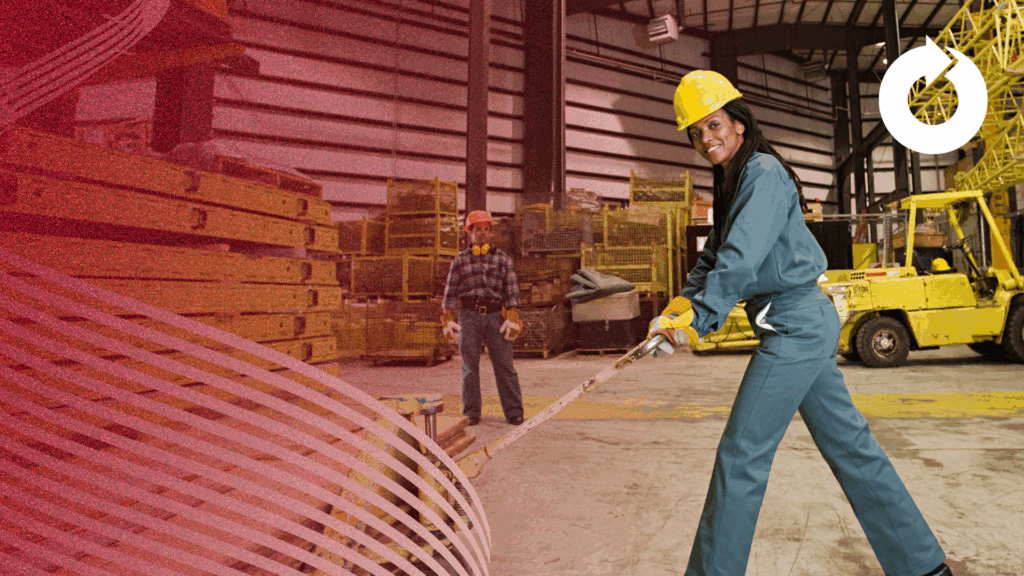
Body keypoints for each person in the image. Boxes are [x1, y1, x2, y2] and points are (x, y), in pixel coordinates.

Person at [648, 70, 953, 576]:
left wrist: (700, 319)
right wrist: (678, 307)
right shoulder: (733, 178)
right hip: (796, 322)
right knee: (852, 448)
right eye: (696, 133)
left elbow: (742, 259)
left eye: (714, 124)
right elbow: (716, 257)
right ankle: (923, 565)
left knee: (740, 456)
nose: (707, 139)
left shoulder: (762, 174)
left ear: (739, 122)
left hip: (794, 323)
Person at [441, 210, 525, 426]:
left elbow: (512, 291)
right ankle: (471, 412)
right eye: (479, 229)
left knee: (505, 366)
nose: (483, 234)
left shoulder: (503, 259)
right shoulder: (459, 261)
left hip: (496, 317)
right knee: (469, 367)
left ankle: (514, 411)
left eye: (487, 230)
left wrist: (513, 317)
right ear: (469, 232)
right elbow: (450, 293)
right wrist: (447, 320)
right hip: (468, 318)